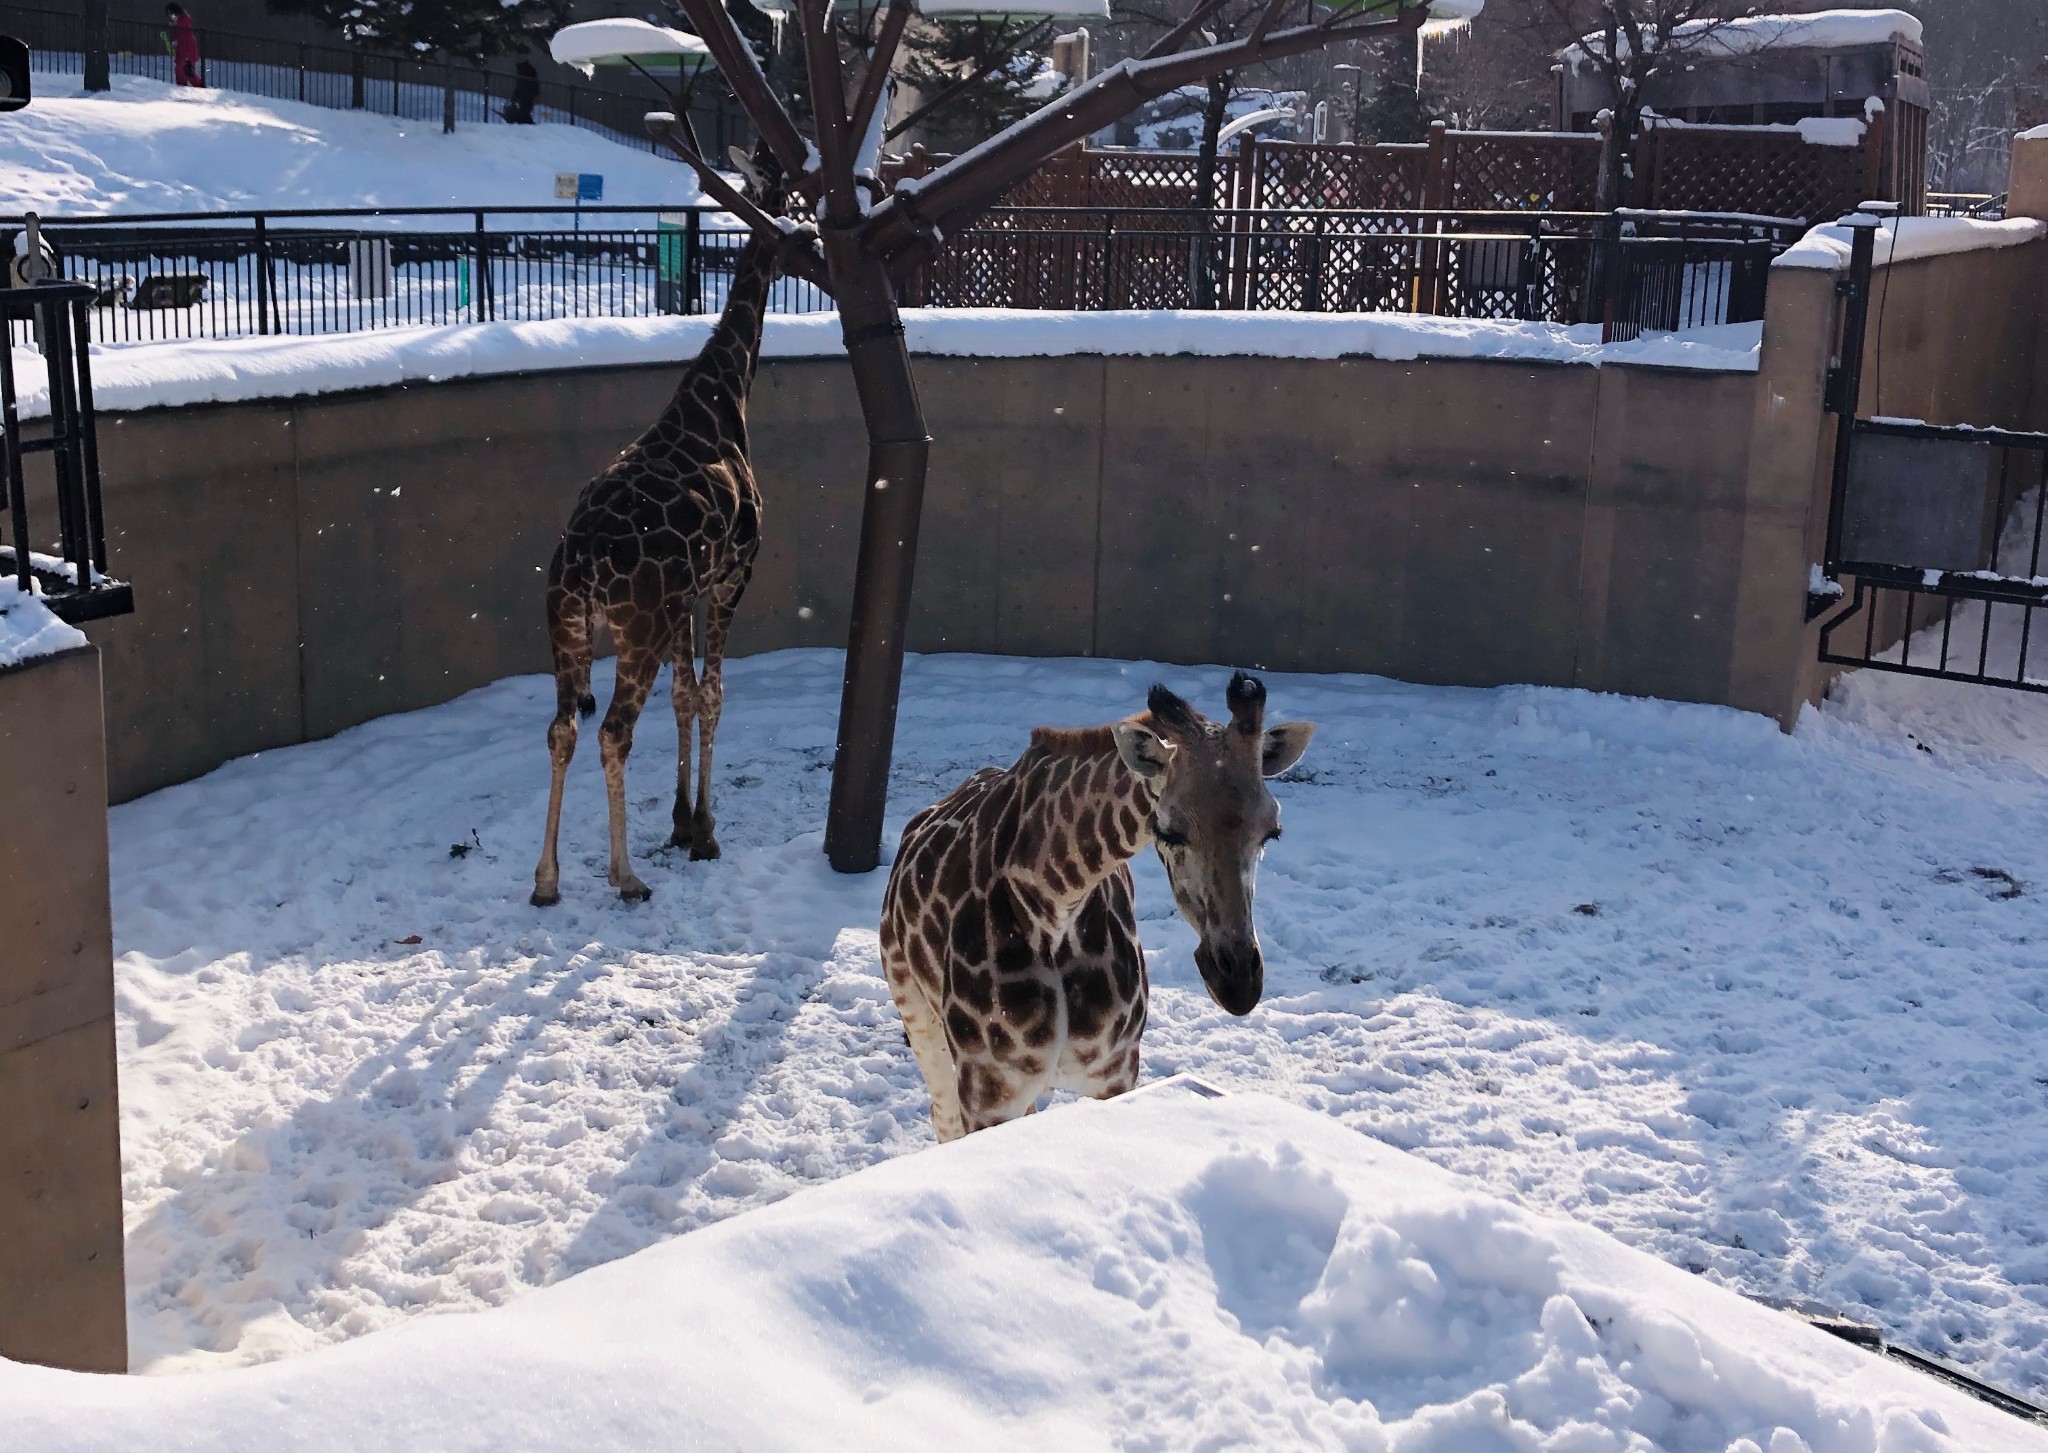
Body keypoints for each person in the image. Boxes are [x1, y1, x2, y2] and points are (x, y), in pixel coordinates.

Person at [164, 3, 203, 87]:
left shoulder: (183, 20)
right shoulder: (179, 21)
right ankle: (182, 87)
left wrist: (175, 36)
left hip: (187, 48)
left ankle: (200, 86)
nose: (171, 16)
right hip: (182, 48)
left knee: (186, 71)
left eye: (171, 14)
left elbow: (182, 32)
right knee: (180, 71)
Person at [503, 60, 539, 125]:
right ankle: (527, 123)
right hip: (528, 95)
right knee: (525, 112)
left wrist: (514, 97)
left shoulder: (523, 73)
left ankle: (525, 123)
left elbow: (519, 86)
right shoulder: (530, 72)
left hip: (526, 95)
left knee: (523, 112)